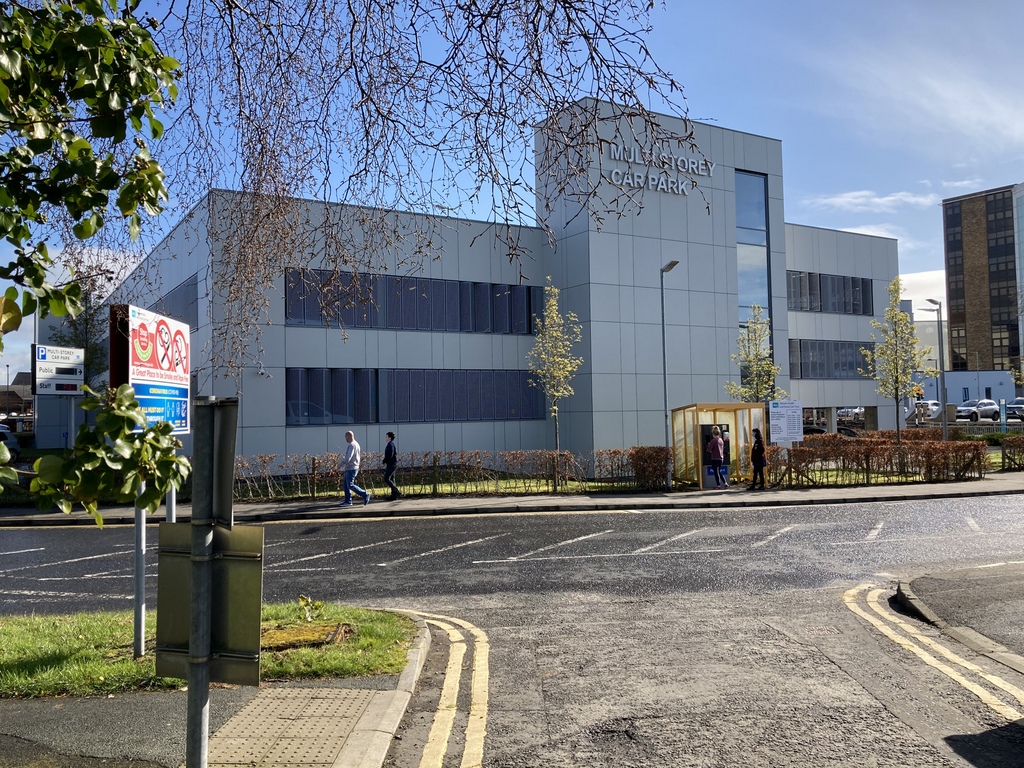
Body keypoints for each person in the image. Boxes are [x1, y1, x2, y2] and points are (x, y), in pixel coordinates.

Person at [339, 431, 370, 507]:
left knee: (350, 485)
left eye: (346, 437)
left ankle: (365, 494)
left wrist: (340, 464)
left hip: (351, 468)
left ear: (349, 436)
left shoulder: (352, 445)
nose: (345, 439)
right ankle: (348, 501)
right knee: (346, 485)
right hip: (353, 467)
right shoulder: (356, 444)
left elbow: (348, 458)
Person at [383, 431, 402, 500]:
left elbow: (390, 455)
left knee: (387, 478)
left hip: (391, 464)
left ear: (389, 438)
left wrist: (385, 460)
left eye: (386, 436)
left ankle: (396, 491)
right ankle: (394, 495)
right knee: (392, 479)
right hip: (392, 464)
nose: (385, 438)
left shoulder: (390, 445)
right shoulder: (391, 444)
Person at [708, 425, 727, 489]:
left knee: (716, 472)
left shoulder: (713, 441)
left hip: (714, 458)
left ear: (713, 433)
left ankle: (718, 485)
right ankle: (725, 483)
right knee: (719, 471)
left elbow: (708, 449)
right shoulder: (721, 440)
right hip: (721, 458)